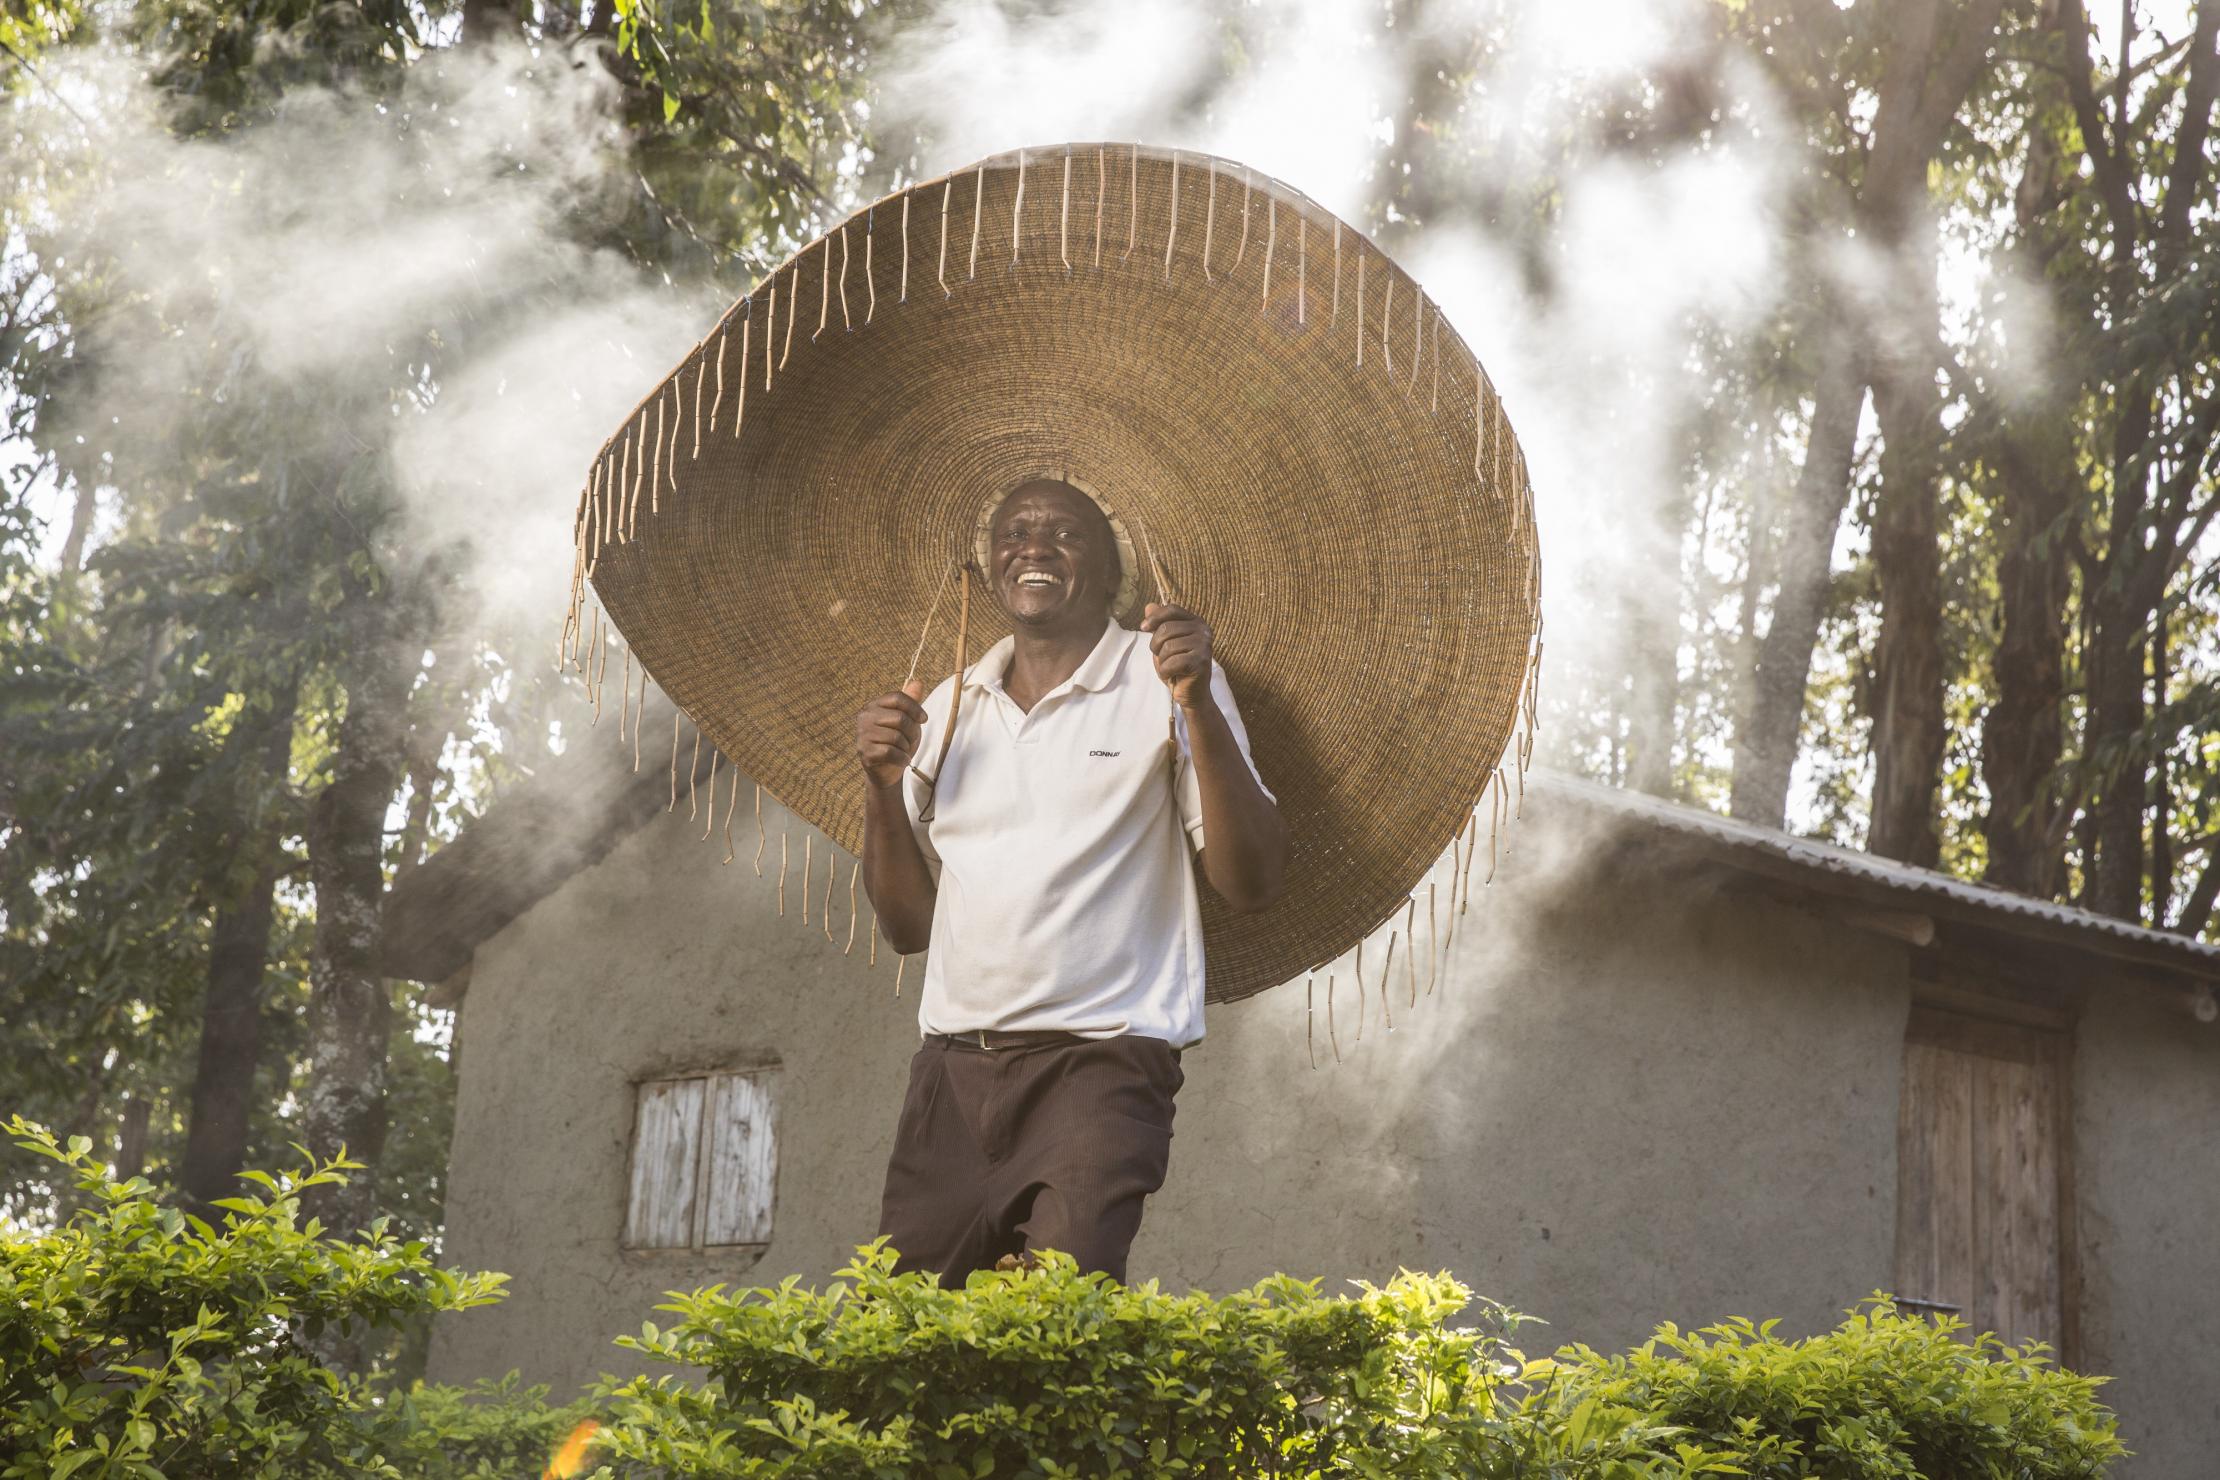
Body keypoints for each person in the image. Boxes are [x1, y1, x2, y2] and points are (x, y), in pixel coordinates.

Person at [853, 476, 1290, 1283]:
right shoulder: (950, 706)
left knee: (1060, 1311)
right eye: (1014, 533)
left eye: (1065, 533)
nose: (1034, 548)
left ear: (1112, 568)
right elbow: (908, 928)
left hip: (1102, 1061)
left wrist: (1195, 701)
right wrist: (882, 786)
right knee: (905, 1340)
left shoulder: (1163, 678)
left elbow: (1253, 881)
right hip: (952, 1071)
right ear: (990, 568)